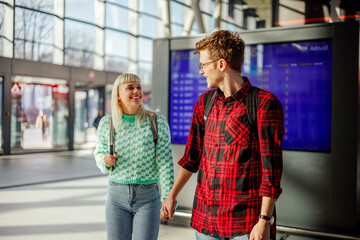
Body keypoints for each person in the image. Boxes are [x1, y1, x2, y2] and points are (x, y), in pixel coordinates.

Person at [160, 30, 284, 240]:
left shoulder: (264, 104)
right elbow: (191, 157)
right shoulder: (204, 103)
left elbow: (271, 170)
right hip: (205, 220)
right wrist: (171, 196)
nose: (201, 71)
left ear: (221, 64)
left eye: (203, 65)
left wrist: (264, 220)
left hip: (246, 224)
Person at [94, 73, 174, 240]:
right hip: (116, 196)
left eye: (139, 87)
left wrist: (167, 197)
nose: (136, 91)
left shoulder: (156, 122)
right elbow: (99, 154)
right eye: (130, 87)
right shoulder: (107, 124)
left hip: (148, 198)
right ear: (118, 94)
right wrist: (105, 161)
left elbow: (165, 163)